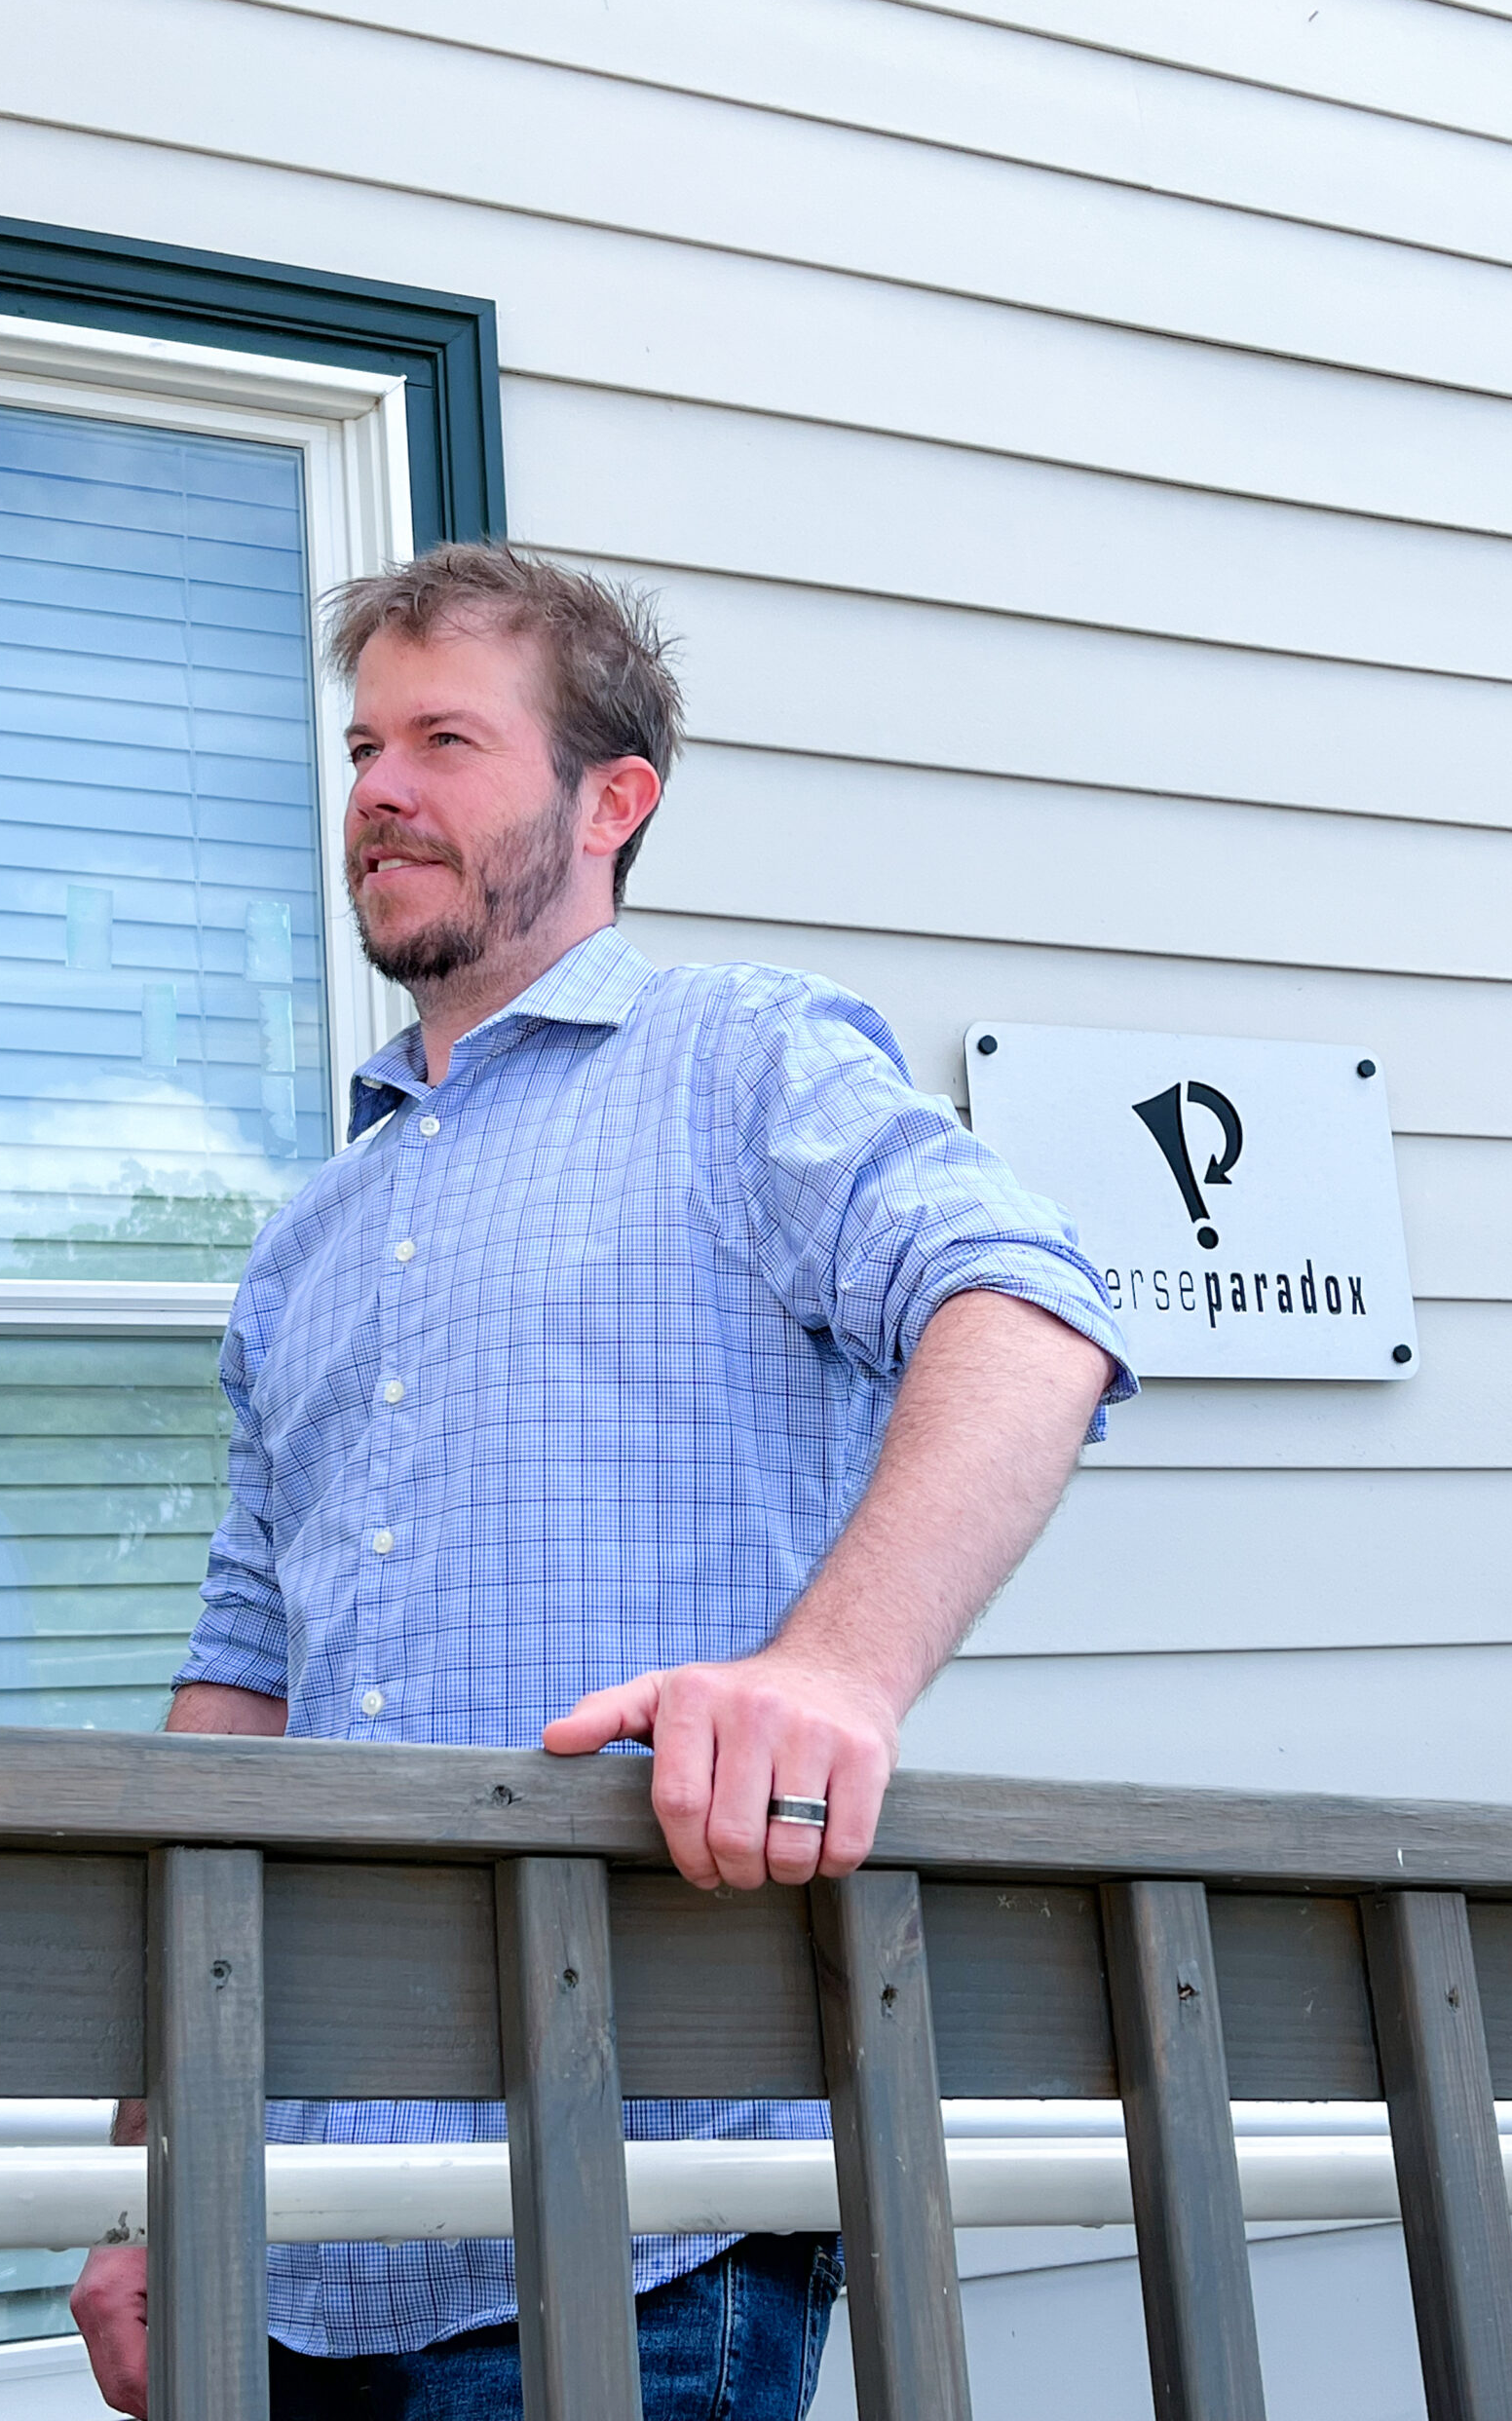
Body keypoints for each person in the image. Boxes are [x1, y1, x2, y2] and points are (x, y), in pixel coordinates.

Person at [71, 542, 1133, 2417]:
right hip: (290, 2246)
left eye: (448, 741)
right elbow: (241, 1686)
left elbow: (1030, 1310)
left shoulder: (746, 1062)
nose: (378, 789)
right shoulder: (310, 1237)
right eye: (362, 745)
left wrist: (832, 1673)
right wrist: (150, 2162)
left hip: (646, 2222)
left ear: (611, 801)